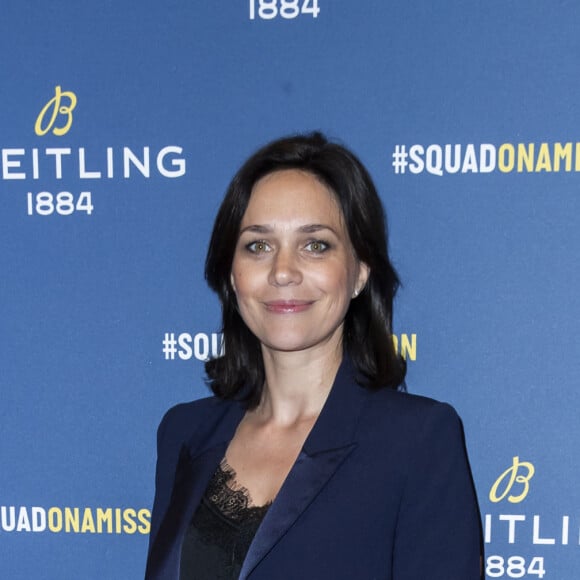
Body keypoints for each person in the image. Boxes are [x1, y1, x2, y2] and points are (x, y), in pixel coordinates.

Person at [145, 132, 482, 579]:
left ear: (360, 272)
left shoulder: (418, 441)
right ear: (231, 274)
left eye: (316, 244)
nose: (283, 271)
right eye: (258, 246)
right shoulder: (184, 432)